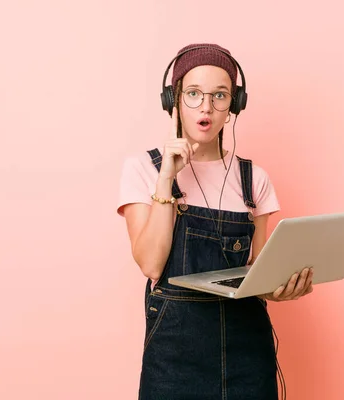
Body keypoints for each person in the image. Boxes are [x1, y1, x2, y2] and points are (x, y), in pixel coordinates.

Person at [117, 43, 314, 400]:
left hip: (248, 356)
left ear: (233, 106)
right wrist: (166, 179)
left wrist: (282, 287)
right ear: (172, 100)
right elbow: (150, 263)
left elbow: (257, 274)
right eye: (193, 94)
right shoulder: (143, 169)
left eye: (219, 95)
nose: (206, 107)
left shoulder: (254, 179)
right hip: (174, 359)